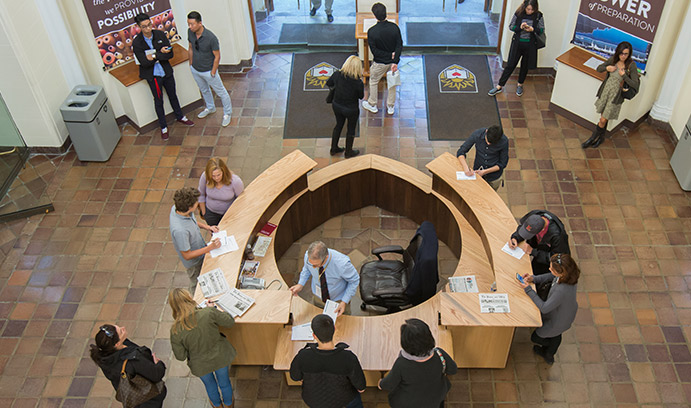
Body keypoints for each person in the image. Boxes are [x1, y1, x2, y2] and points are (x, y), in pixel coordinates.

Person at [168, 288, 237, 408]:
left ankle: (217, 405)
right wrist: (212, 309)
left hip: (199, 365)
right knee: (225, 383)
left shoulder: (175, 330)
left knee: (210, 386)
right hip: (220, 356)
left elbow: (180, 356)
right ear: (189, 299)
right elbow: (229, 322)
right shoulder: (208, 313)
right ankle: (228, 405)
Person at [132, 13, 194, 140]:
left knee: (173, 95)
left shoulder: (160, 35)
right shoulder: (137, 42)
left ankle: (180, 116)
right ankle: (163, 127)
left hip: (166, 72)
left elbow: (169, 54)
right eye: (144, 27)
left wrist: (154, 55)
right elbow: (144, 62)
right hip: (153, 76)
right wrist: (160, 53)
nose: (148, 29)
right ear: (139, 27)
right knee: (158, 101)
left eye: (149, 25)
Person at [290, 314, 366, 408]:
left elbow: (295, 377)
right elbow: (361, 387)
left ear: (314, 335)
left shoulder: (303, 356)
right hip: (344, 401)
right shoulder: (348, 358)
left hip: (314, 400)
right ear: (334, 329)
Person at [379, 319, 457, 407]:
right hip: (435, 398)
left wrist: (380, 383)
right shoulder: (439, 354)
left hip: (409, 403)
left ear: (405, 343)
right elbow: (453, 370)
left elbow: (388, 384)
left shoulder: (401, 364)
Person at [518, 253, 579, 364]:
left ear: (561, 272)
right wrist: (533, 279)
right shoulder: (569, 276)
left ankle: (549, 350)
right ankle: (550, 351)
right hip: (565, 314)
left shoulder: (561, 290)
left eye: (552, 268)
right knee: (556, 335)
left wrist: (528, 289)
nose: (549, 269)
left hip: (557, 320)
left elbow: (544, 308)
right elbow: (551, 276)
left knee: (536, 338)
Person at [90, 324, 167, 407]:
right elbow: (156, 374)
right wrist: (159, 363)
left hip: (133, 398)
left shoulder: (103, 357)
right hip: (148, 399)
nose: (123, 328)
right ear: (117, 344)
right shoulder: (133, 360)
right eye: (121, 331)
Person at [582, 41, 640, 149]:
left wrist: (624, 76)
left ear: (629, 54)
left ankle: (591, 139)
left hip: (615, 96)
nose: (623, 56)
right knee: (604, 117)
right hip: (606, 92)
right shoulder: (613, 59)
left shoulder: (631, 65)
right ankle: (601, 138)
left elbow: (635, 84)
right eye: (621, 53)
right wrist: (607, 68)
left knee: (603, 120)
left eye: (626, 54)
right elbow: (599, 68)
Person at [488, 0, 544, 97]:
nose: (530, 11)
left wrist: (533, 29)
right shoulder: (519, 14)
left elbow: (542, 30)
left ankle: (520, 84)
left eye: (532, 10)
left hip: (530, 45)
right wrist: (520, 27)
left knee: (524, 66)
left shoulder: (539, 16)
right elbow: (511, 26)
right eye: (528, 9)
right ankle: (499, 86)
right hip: (517, 44)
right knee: (510, 65)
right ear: (524, 7)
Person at [170, 187, 221, 293]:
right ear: (189, 207)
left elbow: (191, 222)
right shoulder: (180, 230)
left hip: (200, 249)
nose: (198, 203)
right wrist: (210, 248)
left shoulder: (177, 209)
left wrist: (207, 227)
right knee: (197, 284)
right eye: (196, 203)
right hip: (195, 263)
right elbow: (187, 255)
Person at [289, 241, 359, 316]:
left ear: (326, 257)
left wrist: (344, 301)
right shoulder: (308, 256)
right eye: (311, 264)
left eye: (316, 265)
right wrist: (300, 284)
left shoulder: (342, 264)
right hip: (318, 296)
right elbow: (306, 268)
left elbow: (354, 280)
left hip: (338, 300)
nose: (313, 267)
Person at [187, 11, 232, 127]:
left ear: (200, 23)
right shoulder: (190, 32)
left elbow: (217, 56)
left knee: (221, 92)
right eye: (188, 24)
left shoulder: (211, 38)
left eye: (192, 24)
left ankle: (227, 113)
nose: (190, 27)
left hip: (208, 71)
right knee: (204, 90)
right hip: (196, 69)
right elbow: (190, 47)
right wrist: (191, 63)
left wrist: (213, 72)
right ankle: (210, 108)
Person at [362, 3, 403, 116]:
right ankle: (390, 106)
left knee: (374, 81)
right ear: (386, 13)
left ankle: (373, 104)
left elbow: (375, 51)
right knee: (392, 83)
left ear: (375, 16)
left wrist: (389, 56)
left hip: (379, 62)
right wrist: (394, 60)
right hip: (392, 63)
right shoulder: (394, 28)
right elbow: (399, 45)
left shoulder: (372, 31)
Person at [509, 210, 570, 276]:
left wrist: (533, 251)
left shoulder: (558, 237)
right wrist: (516, 238)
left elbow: (556, 258)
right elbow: (524, 227)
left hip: (548, 265)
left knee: (537, 276)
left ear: (541, 230)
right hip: (539, 250)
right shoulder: (534, 217)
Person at [326, 55, 364, 158]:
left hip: (337, 105)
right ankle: (348, 152)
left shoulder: (337, 74)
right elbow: (361, 96)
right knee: (351, 129)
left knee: (338, 125)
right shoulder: (358, 82)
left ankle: (334, 148)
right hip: (351, 109)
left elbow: (328, 83)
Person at [456, 125, 509, 191]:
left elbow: (502, 163)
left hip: (494, 176)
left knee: (491, 195)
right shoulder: (477, 134)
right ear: (486, 131)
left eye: (491, 143)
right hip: (477, 171)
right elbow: (461, 152)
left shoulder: (504, 141)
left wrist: (484, 172)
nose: (488, 144)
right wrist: (466, 168)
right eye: (487, 141)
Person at [198, 158, 244, 227]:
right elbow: (200, 194)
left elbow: (240, 200)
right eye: (213, 176)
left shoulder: (235, 181)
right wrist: (204, 213)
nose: (216, 178)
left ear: (224, 171)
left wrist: (235, 215)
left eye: (218, 175)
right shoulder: (205, 176)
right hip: (211, 213)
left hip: (229, 215)